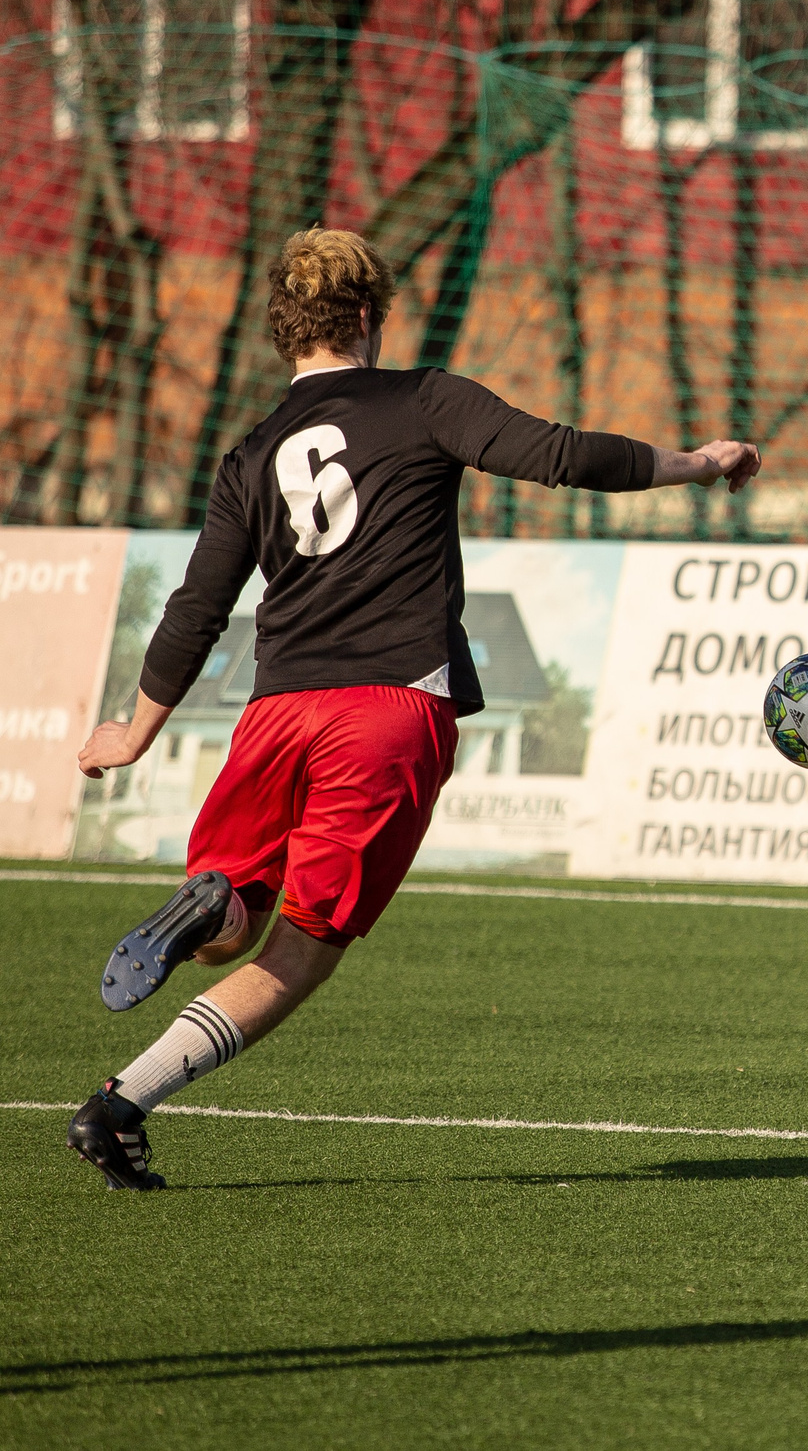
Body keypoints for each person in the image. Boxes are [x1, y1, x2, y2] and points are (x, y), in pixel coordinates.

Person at [66, 228, 763, 1191]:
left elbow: (197, 606)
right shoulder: (422, 398)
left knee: (235, 916)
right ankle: (122, 1102)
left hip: (275, 712)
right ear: (365, 317)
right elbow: (559, 456)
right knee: (305, 950)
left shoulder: (250, 454)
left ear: (285, 330)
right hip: (388, 710)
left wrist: (135, 730)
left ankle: (200, 929)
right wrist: (694, 463)